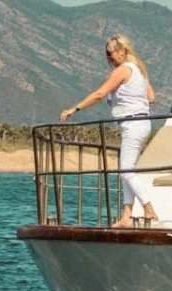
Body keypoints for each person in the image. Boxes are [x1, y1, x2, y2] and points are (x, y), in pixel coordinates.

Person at [61, 34, 159, 228]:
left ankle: (149, 208)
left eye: (113, 53)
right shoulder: (139, 69)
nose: (110, 57)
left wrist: (75, 108)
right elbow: (152, 97)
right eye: (108, 54)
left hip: (133, 125)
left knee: (126, 171)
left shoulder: (123, 70)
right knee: (127, 170)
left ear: (123, 51)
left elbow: (99, 94)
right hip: (139, 123)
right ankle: (126, 217)